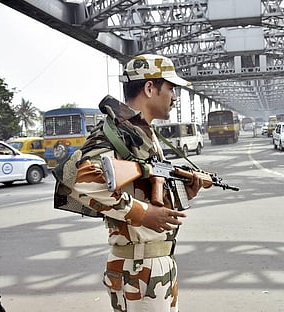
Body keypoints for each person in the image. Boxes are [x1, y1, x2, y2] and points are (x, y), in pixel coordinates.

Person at [72, 54, 203, 312]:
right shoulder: (117, 131)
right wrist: (143, 214)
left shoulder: (143, 134)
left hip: (153, 263)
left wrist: (184, 193)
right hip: (140, 268)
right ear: (150, 88)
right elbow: (85, 181)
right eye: (171, 88)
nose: (175, 97)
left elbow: (145, 191)